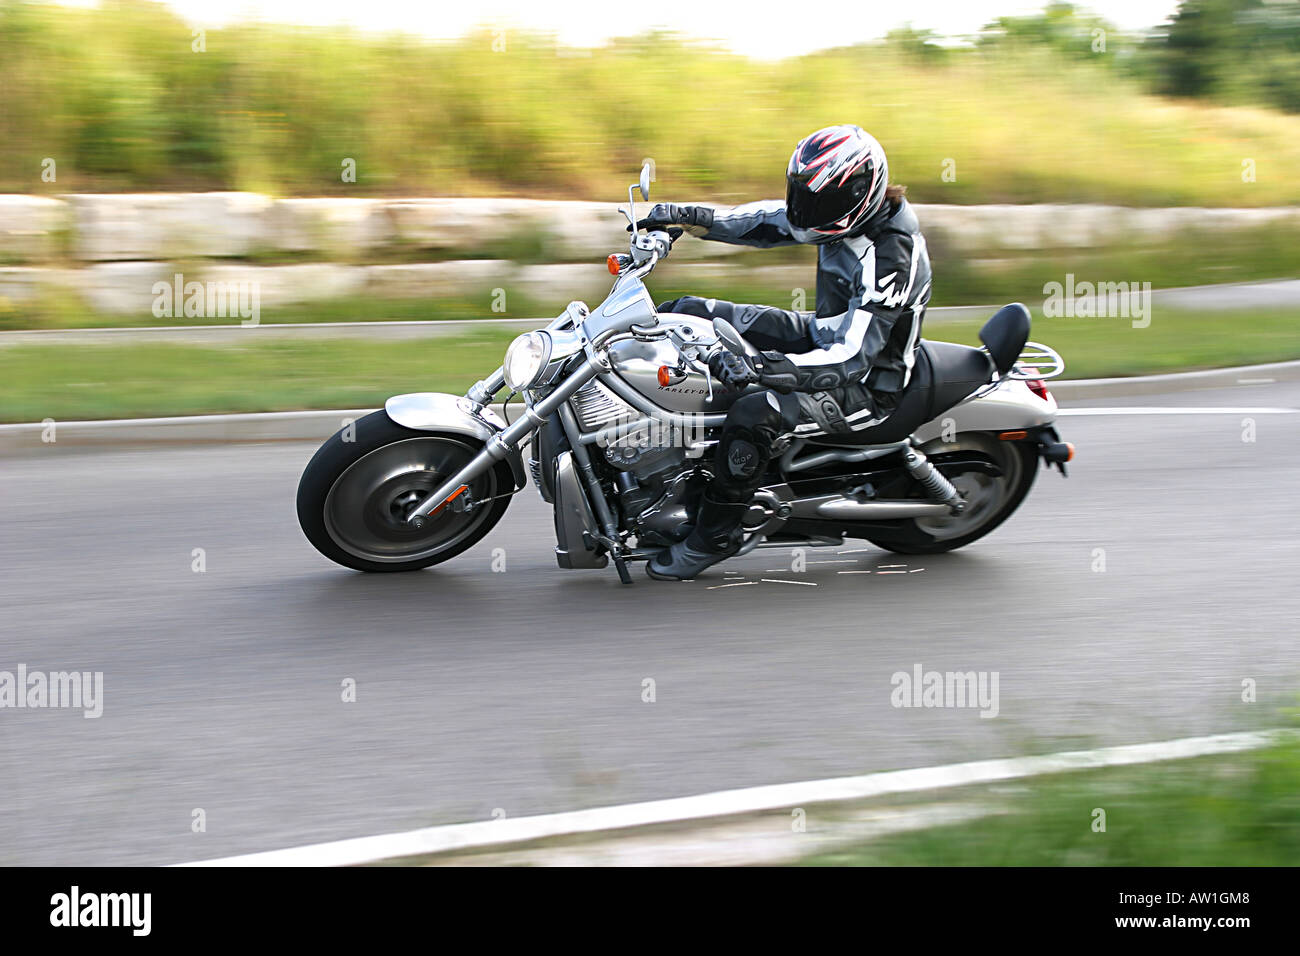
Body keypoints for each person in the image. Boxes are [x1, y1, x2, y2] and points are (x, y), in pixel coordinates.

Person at [642, 124, 932, 581]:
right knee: (686, 311)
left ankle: (715, 534)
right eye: (801, 196)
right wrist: (685, 218)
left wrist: (760, 367)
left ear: (859, 192)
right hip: (822, 334)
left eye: (815, 202)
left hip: (867, 384)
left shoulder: (890, 257)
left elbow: (851, 357)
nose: (804, 212)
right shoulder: (836, 211)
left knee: (756, 410)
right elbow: (763, 223)